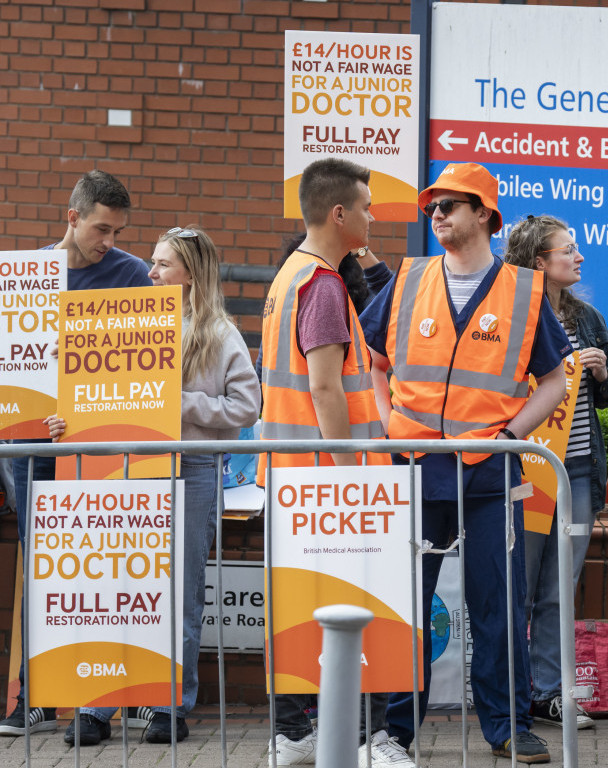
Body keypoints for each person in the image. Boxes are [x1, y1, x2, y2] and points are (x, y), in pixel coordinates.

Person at [359, 162, 571, 765]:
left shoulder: (524, 292)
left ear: (484, 214)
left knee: (497, 603)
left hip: (488, 468)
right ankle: (396, 732)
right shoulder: (407, 280)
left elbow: (554, 381)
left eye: (452, 204)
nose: (439, 214)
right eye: (435, 206)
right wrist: (387, 425)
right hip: (415, 466)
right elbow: (375, 362)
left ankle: (508, 728)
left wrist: (510, 434)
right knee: (405, 603)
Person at [45, 227, 260, 743]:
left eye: (163, 264)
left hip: (191, 471)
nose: (151, 273)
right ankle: (99, 708)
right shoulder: (126, 319)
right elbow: (97, 396)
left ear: (190, 273)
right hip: (125, 471)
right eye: (152, 262)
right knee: (116, 589)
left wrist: (179, 401)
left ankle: (168, 708)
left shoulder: (219, 332)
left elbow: (246, 407)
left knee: (181, 592)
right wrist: (65, 417)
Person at [257, 158, 400, 767]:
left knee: (296, 608)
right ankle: (331, 736)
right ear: (339, 214)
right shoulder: (321, 284)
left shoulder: (290, 275)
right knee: (348, 608)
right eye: (367, 207)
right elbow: (325, 389)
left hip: (292, 472)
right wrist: (350, 473)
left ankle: (291, 733)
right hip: (326, 479)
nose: (373, 217)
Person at [0, 170, 153, 742]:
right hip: (32, 446)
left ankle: (112, 693)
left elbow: (146, 368)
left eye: (116, 231)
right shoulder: (28, 278)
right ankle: (34, 696)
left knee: (100, 568)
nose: (108, 241)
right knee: (46, 569)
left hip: (97, 447)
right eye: (100, 228)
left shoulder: (133, 275)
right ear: (71, 217)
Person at [504, 215, 608, 730]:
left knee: (558, 587)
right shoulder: (510, 316)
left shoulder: (588, 319)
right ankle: (508, 694)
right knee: (517, 587)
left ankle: (550, 693)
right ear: (538, 263)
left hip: (576, 472)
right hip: (525, 470)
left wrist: (599, 372)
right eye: (567, 250)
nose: (578, 257)